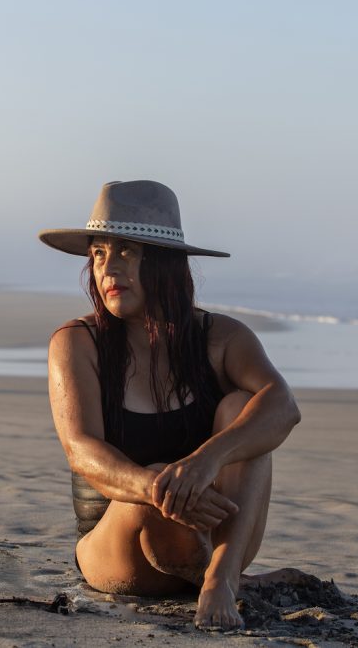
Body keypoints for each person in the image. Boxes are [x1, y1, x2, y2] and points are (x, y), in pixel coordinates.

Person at [38, 180, 303, 631]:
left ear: (164, 263)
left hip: (211, 535)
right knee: (148, 508)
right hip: (117, 541)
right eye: (99, 253)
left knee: (245, 406)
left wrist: (207, 461)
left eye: (125, 251)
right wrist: (158, 488)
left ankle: (221, 577)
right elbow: (80, 449)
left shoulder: (221, 337)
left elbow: (284, 406)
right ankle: (223, 575)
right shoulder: (77, 343)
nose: (108, 268)